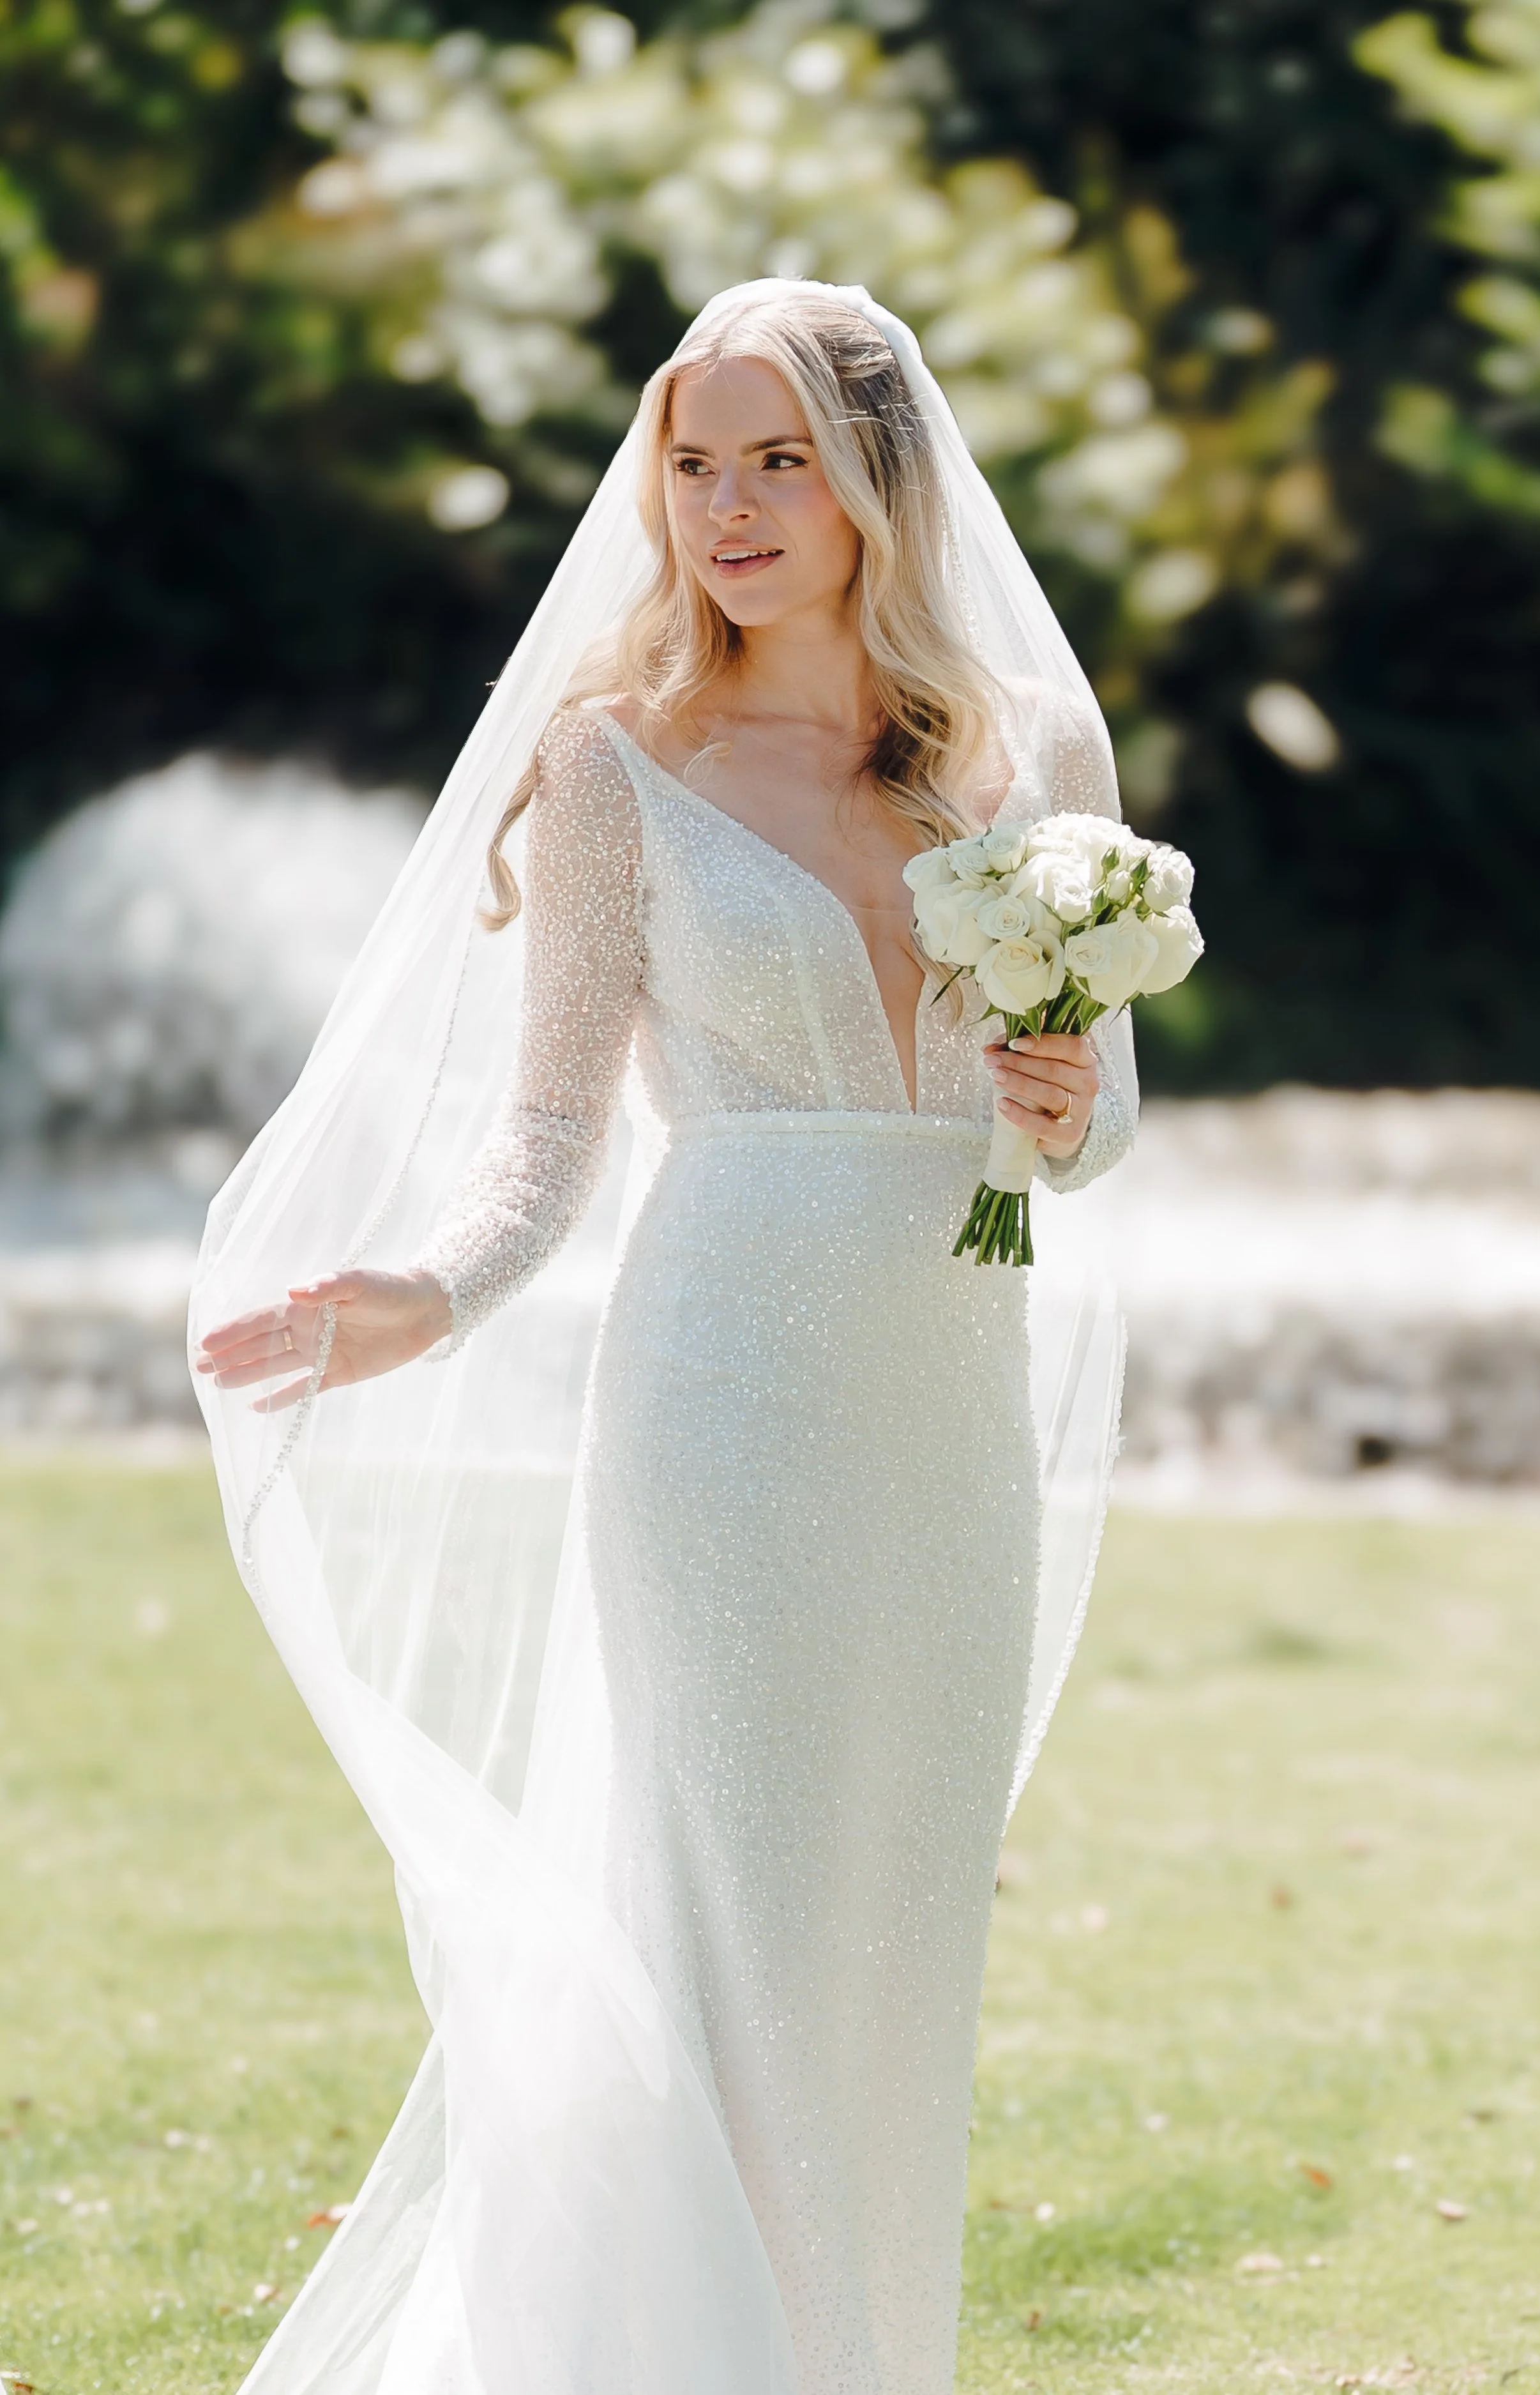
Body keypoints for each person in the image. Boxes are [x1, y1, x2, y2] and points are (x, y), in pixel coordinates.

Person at [192, 282, 1136, 2395]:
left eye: (777, 460)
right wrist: (428, 1294)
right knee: (732, 1926)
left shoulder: (1030, 755)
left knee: (893, 1944)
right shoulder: (617, 758)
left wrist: (1068, 1102)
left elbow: (1088, 1130)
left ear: (879, 478)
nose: (726, 509)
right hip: (722, 1404)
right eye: (691, 465)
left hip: (946, 1421)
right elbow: (548, 1139)